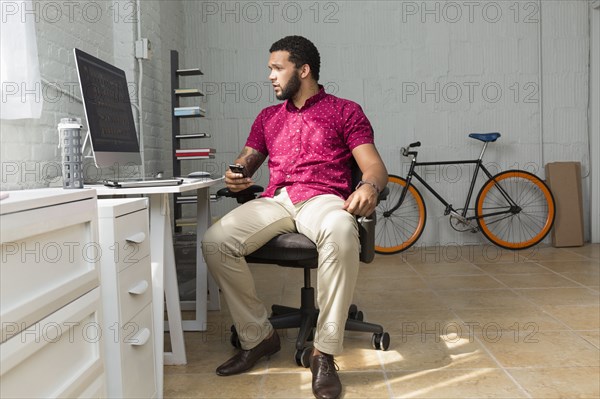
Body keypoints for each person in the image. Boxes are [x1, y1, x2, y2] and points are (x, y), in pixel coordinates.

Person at [202, 35, 388, 399]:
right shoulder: (268, 117)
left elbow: (374, 166)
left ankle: (324, 352)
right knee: (216, 240)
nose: (270, 76)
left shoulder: (344, 110)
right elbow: (246, 159)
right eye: (270, 69)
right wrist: (235, 174)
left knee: (341, 229)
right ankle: (259, 338)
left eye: (277, 68)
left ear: (303, 70)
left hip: (323, 198)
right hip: (277, 200)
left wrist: (369, 187)